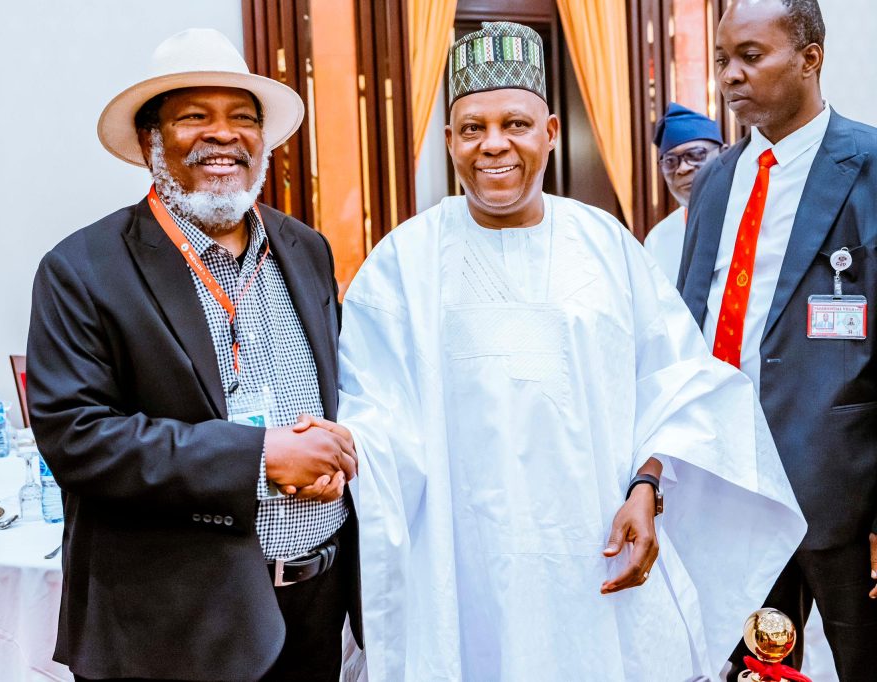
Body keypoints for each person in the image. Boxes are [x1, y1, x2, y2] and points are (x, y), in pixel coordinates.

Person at [336, 21, 806, 681]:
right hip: (462, 567)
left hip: (596, 558)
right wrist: (338, 448)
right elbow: (373, 411)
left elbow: (679, 385)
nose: (493, 145)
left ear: (550, 133)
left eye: (515, 125)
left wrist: (648, 488)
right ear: (449, 142)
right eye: (472, 129)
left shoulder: (606, 246)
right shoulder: (401, 266)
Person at [27, 28, 359, 682]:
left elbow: (341, 390)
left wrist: (334, 450)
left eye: (242, 118)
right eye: (193, 118)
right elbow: (78, 438)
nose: (223, 135)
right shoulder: (82, 269)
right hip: (172, 629)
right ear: (152, 143)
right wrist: (261, 460)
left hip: (316, 610)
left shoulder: (307, 250)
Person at [678, 1, 877, 678]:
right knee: (757, 665)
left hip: (842, 489)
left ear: (811, 59)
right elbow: (688, 322)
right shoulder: (714, 180)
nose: (731, 76)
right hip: (731, 484)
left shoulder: (869, 166)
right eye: (723, 60)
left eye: (751, 57)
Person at [644, 103, 724, 284]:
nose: (682, 168)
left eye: (695, 155)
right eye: (670, 161)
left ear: (723, 154)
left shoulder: (750, 217)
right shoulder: (658, 239)